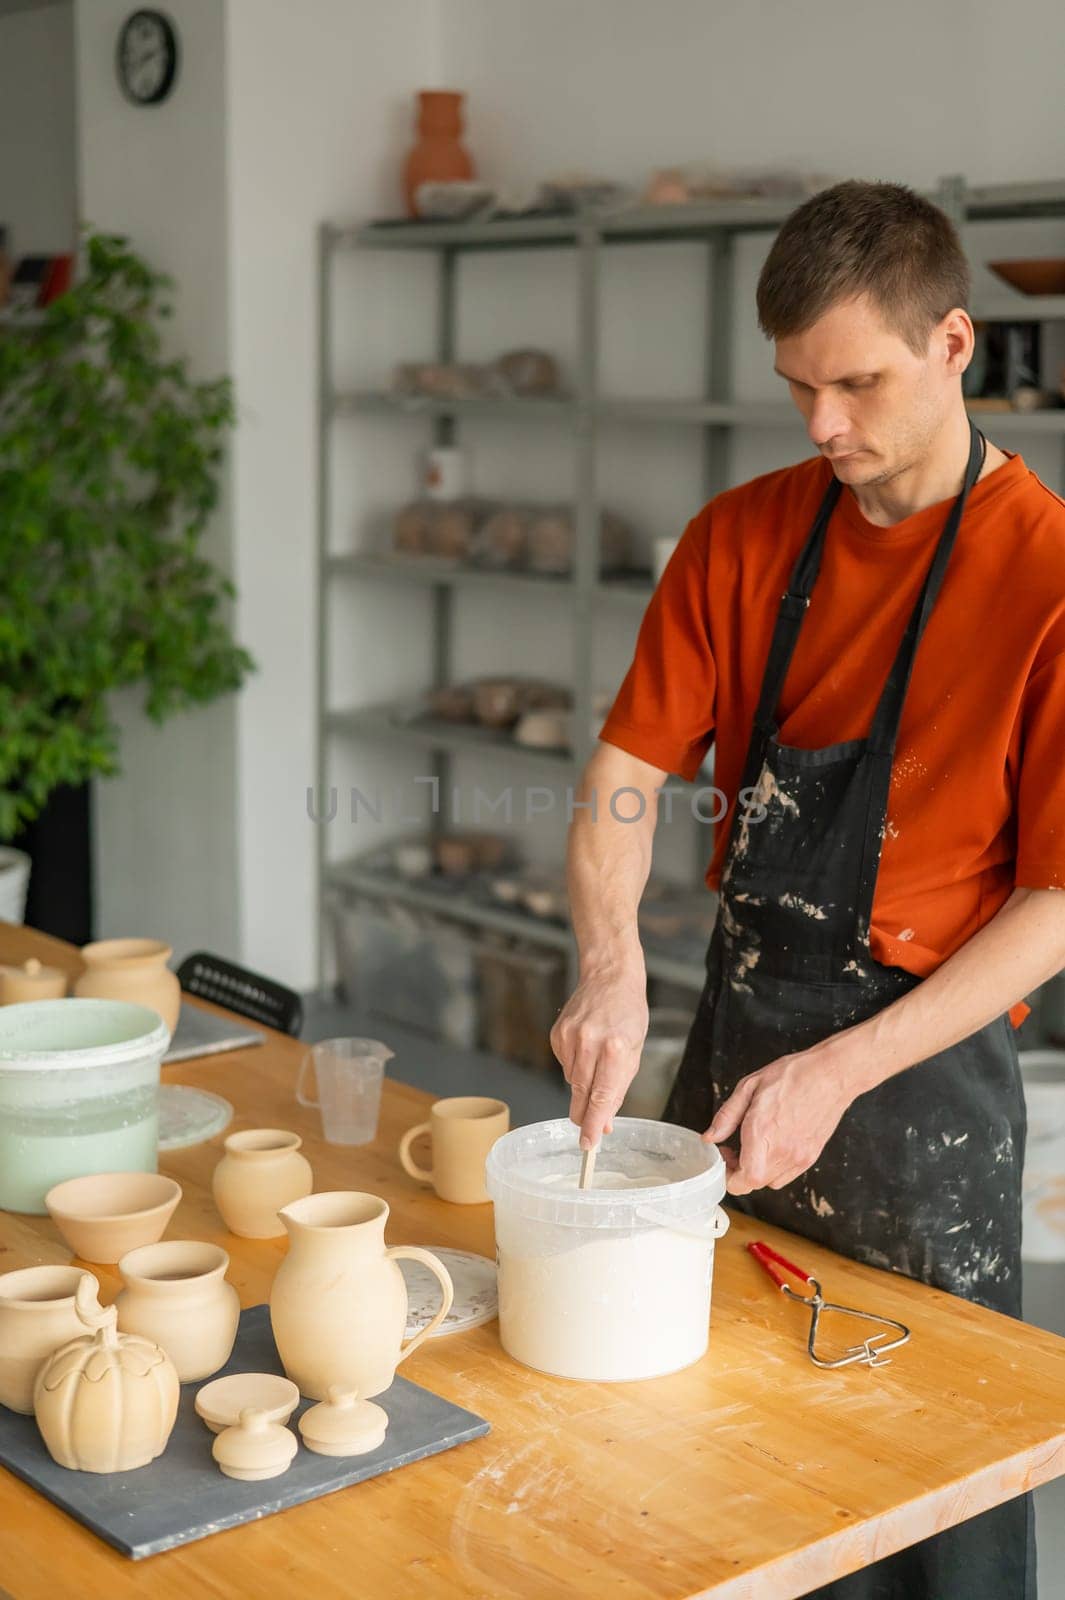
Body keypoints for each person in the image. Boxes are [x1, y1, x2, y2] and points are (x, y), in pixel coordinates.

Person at [550, 180, 1064, 1599]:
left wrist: (840, 1070)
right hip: (727, 1051)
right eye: (796, 387)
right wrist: (605, 967)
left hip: (916, 1087)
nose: (821, 425)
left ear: (953, 342)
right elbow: (618, 783)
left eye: (855, 381)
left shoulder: (1047, 576)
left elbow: (1056, 903)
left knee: (915, 1510)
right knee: (706, 1471)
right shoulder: (739, 536)